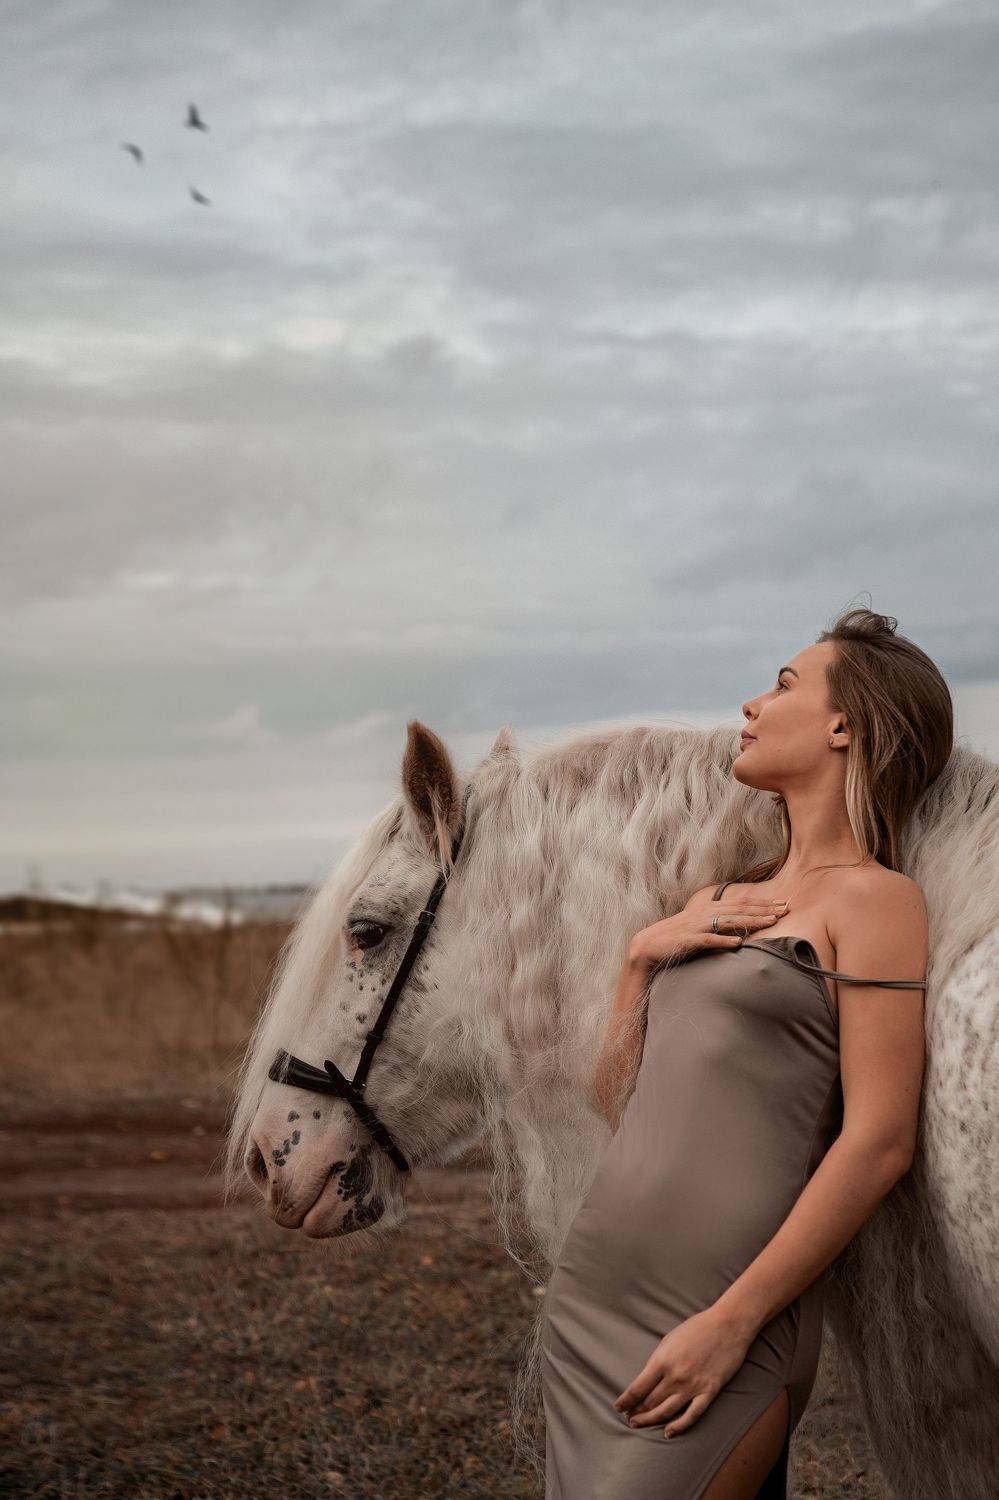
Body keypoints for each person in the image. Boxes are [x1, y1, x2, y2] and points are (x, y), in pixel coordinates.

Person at [540, 607, 953, 1499]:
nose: (752, 704)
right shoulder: (717, 901)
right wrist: (640, 957)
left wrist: (733, 1321)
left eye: (783, 684)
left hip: (720, 1313)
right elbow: (621, 1104)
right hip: (593, 1298)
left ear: (844, 725)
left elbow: (879, 1141)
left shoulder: (876, 902)